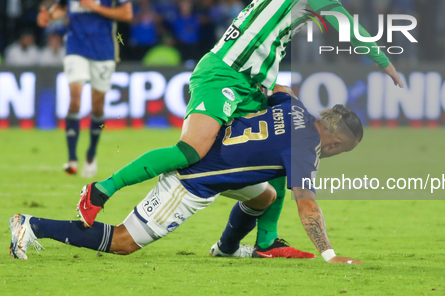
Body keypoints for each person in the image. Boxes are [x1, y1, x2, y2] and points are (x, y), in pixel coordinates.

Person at [77, 0, 403, 254]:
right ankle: (101, 190)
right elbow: (344, 24)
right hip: (226, 73)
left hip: (250, 82)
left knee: (281, 146)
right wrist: (385, 63)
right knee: (191, 150)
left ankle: (266, 242)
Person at [10, 88, 363, 264]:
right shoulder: (307, 150)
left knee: (265, 194)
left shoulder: (296, 108)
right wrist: (331, 255)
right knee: (124, 243)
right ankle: (31, 225)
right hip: (194, 181)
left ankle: (227, 249)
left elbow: (278, 90)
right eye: (341, 150)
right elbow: (308, 208)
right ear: (333, 142)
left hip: (210, 148)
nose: (335, 154)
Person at [36, 0, 133, 177]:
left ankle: (91, 153)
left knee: (98, 106)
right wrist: (48, 16)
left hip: (104, 49)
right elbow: (61, 9)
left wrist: (95, 6)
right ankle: (71, 158)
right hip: (75, 46)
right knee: (75, 97)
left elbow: (127, 13)